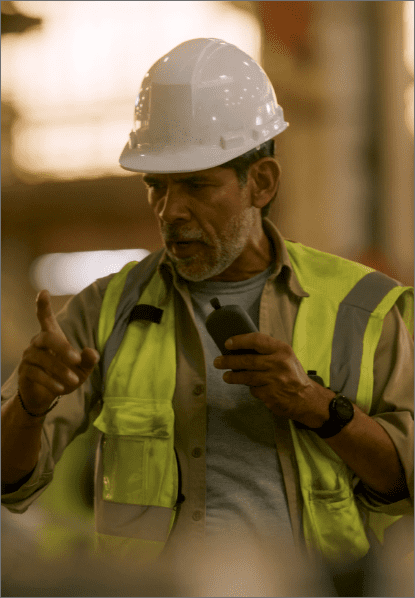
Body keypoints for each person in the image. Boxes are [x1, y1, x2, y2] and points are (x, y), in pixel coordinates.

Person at [2, 38, 413, 584]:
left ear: (260, 183)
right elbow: (10, 480)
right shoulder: (104, 312)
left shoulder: (365, 310)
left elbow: (405, 483)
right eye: (158, 187)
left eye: (196, 185)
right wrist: (28, 405)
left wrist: (317, 406)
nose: (170, 211)